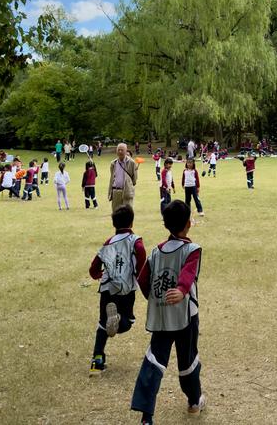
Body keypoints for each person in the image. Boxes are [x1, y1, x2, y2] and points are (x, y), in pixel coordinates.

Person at [130, 200, 204, 423]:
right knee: (187, 360)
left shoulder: (155, 252)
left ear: (166, 225)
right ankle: (194, 402)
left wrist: (155, 300)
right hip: (185, 317)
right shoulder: (192, 250)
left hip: (161, 317)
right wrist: (181, 290)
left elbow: (143, 279)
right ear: (188, 223)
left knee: (153, 361)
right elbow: (189, 273)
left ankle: (146, 416)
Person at [89, 204, 146, 375]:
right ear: (132, 221)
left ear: (114, 224)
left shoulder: (108, 242)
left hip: (107, 288)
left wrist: (99, 274)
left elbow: (94, 268)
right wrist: (140, 275)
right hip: (126, 289)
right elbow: (141, 256)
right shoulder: (135, 240)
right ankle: (119, 319)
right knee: (127, 322)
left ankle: (96, 362)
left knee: (102, 324)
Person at [108, 143, 138, 212]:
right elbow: (112, 178)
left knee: (127, 214)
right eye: (118, 150)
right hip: (116, 192)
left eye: (122, 150)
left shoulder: (131, 163)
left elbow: (134, 179)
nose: (120, 152)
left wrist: (128, 185)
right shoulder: (113, 163)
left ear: (126, 151)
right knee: (116, 213)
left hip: (127, 192)